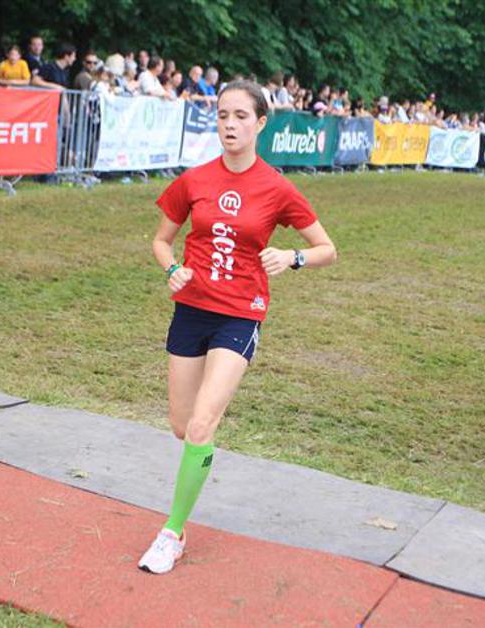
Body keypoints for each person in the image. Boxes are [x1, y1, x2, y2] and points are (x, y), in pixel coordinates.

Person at [140, 80, 337, 575]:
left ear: (260, 124)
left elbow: (327, 249)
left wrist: (291, 257)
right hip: (191, 310)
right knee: (183, 426)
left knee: (202, 424)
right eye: (223, 115)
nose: (229, 124)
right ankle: (199, 456)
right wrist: (171, 269)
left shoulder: (277, 187)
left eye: (240, 116)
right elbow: (161, 241)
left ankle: (172, 533)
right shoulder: (194, 180)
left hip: (241, 313)